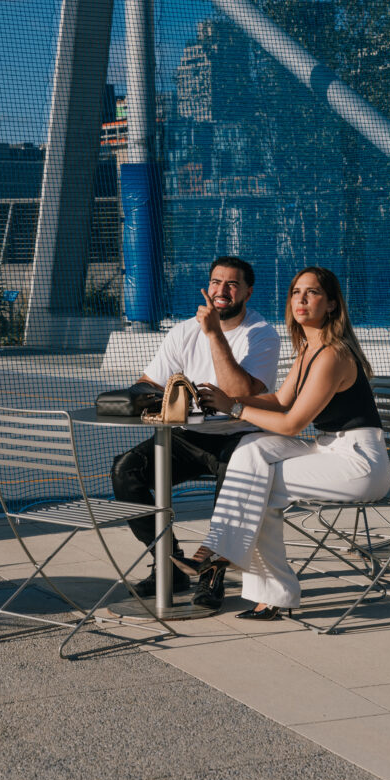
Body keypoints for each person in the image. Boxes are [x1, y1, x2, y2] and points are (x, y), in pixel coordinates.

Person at [172, 266, 390, 620]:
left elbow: (291, 423)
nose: (301, 299)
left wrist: (237, 408)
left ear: (332, 305)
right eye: (295, 292)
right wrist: (225, 398)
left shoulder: (333, 355)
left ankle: (219, 558)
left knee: (258, 485)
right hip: (330, 449)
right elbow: (279, 401)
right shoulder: (308, 350)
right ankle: (237, 572)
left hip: (359, 464)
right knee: (251, 450)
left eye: (313, 292)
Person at [111, 256, 281, 609]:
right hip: (190, 435)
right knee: (126, 470)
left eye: (232, 284)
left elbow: (241, 391)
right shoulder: (184, 330)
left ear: (248, 291)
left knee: (231, 484)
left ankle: (211, 575)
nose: (222, 290)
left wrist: (215, 332)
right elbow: (149, 382)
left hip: (242, 435)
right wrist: (155, 398)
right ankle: (169, 567)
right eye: (217, 282)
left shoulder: (261, 334)